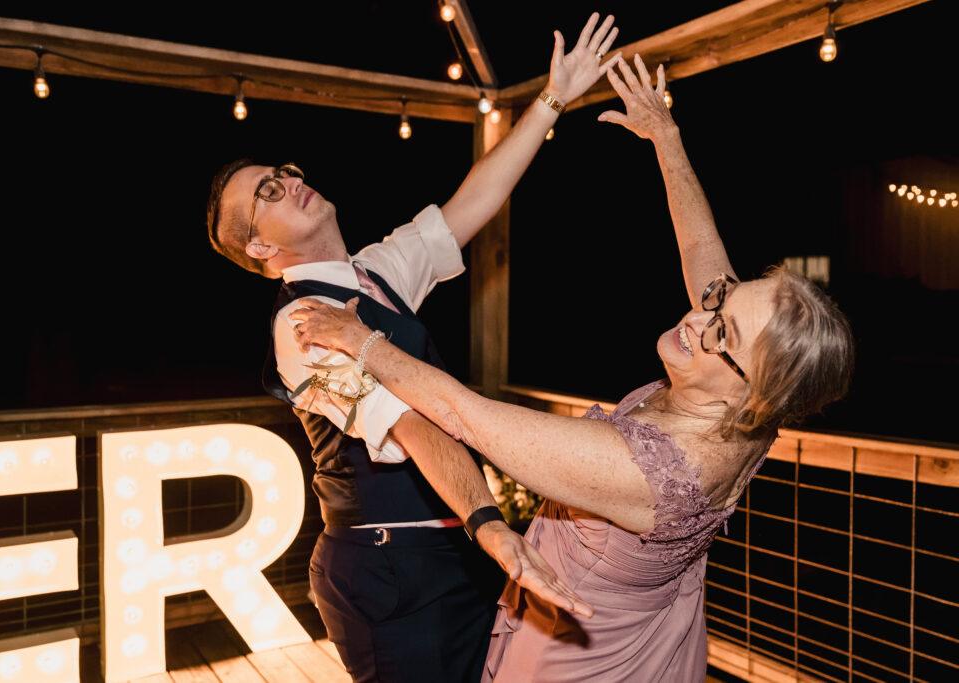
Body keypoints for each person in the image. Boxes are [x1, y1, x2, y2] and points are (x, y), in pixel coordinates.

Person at [288, 52, 855, 682]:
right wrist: (666, 137)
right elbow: (704, 258)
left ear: (757, 396)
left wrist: (362, 341)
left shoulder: (649, 470)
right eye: (719, 300)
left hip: (583, 648)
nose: (699, 314)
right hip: (655, 618)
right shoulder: (760, 398)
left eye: (721, 328)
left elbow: (463, 415)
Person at [205, 14, 620, 681]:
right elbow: (411, 424)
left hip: (450, 553)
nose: (289, 182)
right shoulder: (301, 325)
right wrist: (491, 525)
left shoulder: (375, 272)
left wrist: (554, 98)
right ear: (260, 246)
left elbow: (475, 200)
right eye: (267, 194)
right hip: (389, 574)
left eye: (282, 172)